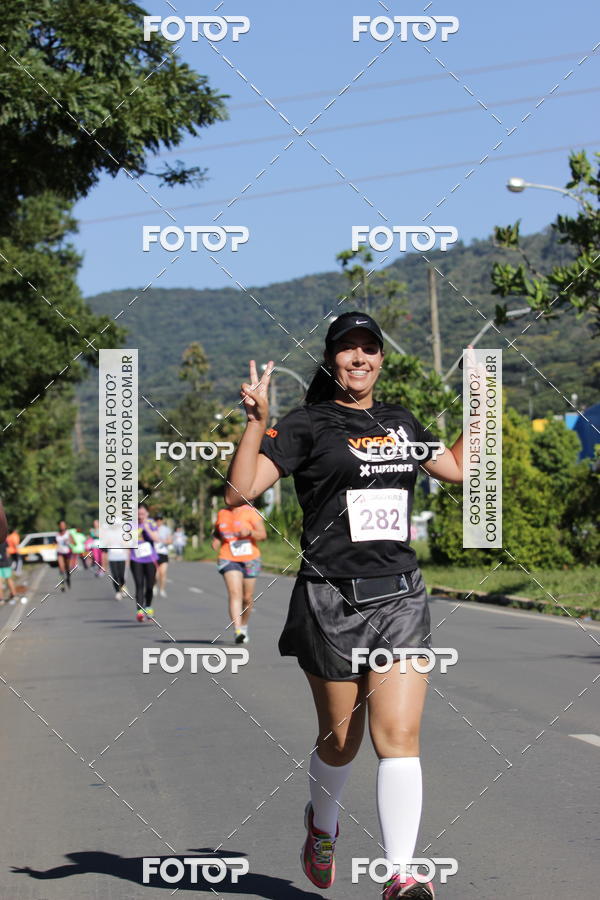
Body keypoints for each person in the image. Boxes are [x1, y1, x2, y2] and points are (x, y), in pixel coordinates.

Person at [225, 312, 464, 899]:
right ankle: (322, 827)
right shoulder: (307, 423)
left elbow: (456, 468)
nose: (358, 358)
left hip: (400, 594)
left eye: (368, 348)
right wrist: (256, 422)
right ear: (332, 360)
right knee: (341, 741)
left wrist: (483, 408)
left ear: (382, 359)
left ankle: (402, 874)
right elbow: (241, 490)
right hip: (330, 597)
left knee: (399, 736)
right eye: (347, 349)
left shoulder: (402, 422)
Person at [212, 503, 267, 644]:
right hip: (228, 557)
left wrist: (249, 533)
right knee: (234, 593)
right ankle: (237, 631)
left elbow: (263, 535)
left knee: (247, 597)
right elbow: (218, 532)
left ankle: (243, 626)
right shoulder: (222, 513)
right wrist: (216, 540)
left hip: (250, 559)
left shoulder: (251, 512)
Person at [130, 505, 159, 621]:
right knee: (139, 584)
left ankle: (148, 606)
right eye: (138, 514)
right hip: (136, 559)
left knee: (150, 585)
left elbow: (156, 538)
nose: (140, 516)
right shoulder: (130, 524)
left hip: (150, 559)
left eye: (142, 514)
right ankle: (140, 610)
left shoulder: (151, 523)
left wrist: (146, 528)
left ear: (147, 514)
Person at [154, 515, 172, 598]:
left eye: (160, 519)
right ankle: (154, 586)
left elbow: (170, 540)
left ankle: (162, 590)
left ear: (162, 520)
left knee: (163, 573)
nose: (158, 521)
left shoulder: (166, 529)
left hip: (163, 553)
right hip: (154, 553)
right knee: (155, 573)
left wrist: (162, 541)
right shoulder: (152, 528)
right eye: (157, 519)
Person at [56, 520, 76, 591]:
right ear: (59, 526)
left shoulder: (68, 533)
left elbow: (74, 543)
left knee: (67, 568)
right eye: (61, 525)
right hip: (60, 552)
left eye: (63, 525)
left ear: (65, 526)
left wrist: (69, 541)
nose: (62, 526)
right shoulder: (57, 534)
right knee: (61, 568)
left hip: (67, 552)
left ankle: (68, 577)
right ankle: (62, 584)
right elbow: (55, 542)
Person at [0, 539, 17, 603]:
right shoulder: (4, 540)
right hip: (5, 563)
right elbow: (7, 553)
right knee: (9, 579)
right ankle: (14, 595)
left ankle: (1, 599)